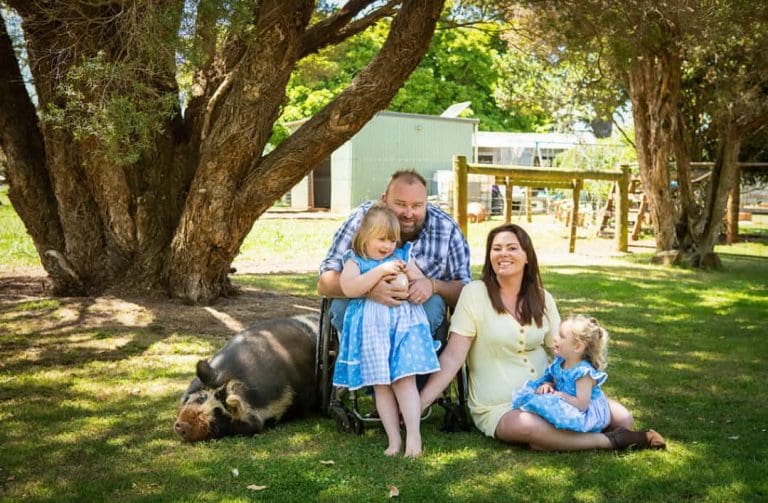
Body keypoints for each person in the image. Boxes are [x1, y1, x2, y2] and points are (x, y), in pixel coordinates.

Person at [419, 223, 667, 451]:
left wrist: (580, 388)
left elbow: (565, 349)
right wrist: (419, 404)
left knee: (623, 417)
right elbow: (452, 357)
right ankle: (611, 440)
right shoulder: (474, 294)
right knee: (529, 426)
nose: (503, 254)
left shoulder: (541, 297)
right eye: (496, 249)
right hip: (500, 405)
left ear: (527, 256)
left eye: (512, 248)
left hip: (550, 395)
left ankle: (553, 439)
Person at [332, 204, 439, 457]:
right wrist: (380, 271)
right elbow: (350, 289)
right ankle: (393, 440)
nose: (388, 245)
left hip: (404, 329)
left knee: (405, 381)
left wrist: (415, 282)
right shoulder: (354, 261)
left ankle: (414, 437)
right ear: (364, 237)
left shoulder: (402, 256)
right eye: (381, 239)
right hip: (373, 333)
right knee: (382, 386)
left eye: (392, 239)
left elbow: (420, 280)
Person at [318, 170, 471, 343]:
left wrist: (433, 285)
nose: (408, 213)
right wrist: (369, 290)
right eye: (400, 204)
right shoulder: (362, 219)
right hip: (362, 309)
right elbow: (325, 282)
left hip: (414, 313)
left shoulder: (446, 228)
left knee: (435, 305)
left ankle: (410, 362)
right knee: (339, 307)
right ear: (384, 200)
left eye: (417, 206)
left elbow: (465, 291)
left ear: (427, 203)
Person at [511, 315, 612, 433]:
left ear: (578, 346)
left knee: (547, 402)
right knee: (540, 397)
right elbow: (556, 381)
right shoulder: (560, 362)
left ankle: (562, 432)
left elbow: (582, 405)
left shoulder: (583, 373)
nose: (555, 338)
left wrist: (558, 395)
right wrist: (548, 385)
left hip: (585, 414)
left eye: (561, 336)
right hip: (567, 402)